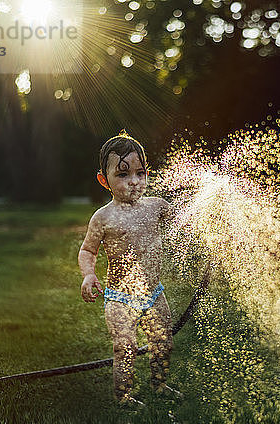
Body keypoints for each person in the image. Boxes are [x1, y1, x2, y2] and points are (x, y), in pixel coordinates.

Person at [78, 130, 181, 406]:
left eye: (140, 173)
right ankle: (123, 397)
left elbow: (184, 225)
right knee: (126, 348)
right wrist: (89, 273)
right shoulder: (103, 217)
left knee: (164, 343)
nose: (134, 182)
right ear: (104, 180)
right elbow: (88, 250)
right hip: (120, 298)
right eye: (123, 175)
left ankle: (160, 385)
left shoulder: (157, 206)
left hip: (154, 293)